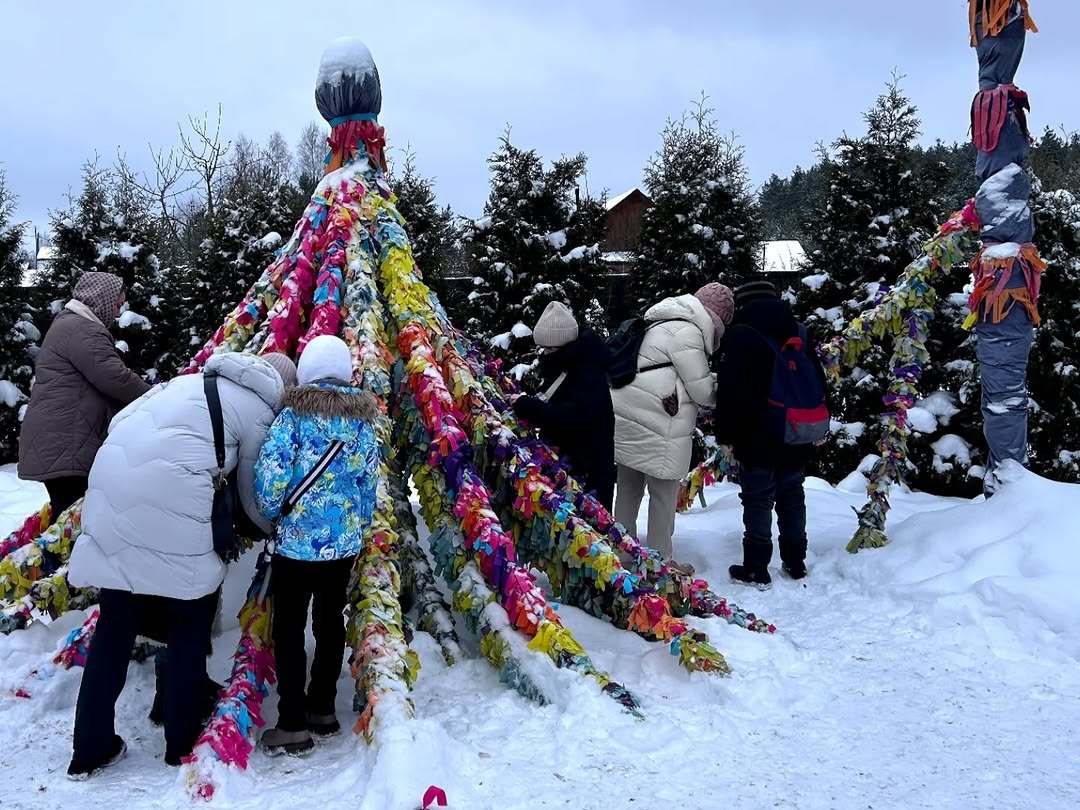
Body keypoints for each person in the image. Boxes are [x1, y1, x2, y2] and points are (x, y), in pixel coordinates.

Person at [65, 351, 297, 779]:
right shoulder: (259, 409)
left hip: (108, 500)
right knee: (188, 617)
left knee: (115, 623)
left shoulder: (184, 382)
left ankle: (90, 748)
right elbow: (251, 495)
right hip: (169, 509)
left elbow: (120, 425)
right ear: (280, 389)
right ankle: (181, 741)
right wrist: (273, 527)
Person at [254, 335, 380, 756]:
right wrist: (355, 528)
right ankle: (323, 708)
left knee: (288, 628)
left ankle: (292, 722)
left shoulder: (291, 417)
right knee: (330, 623)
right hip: (340, 549)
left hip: (294, 548)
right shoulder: (363, 425)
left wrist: (273, 510)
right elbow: (367, 488)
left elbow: (271, 477)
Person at [714, 280, 826, 588]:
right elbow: (817, 377)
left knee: (758, 498)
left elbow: (731, 390)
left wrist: (725, 432)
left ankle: (756, 567)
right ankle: (795, 561)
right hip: (795, 427)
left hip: (757, 432)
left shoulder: (741, 334)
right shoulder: (799, 330)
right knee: (792, 494)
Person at [611, 283, 732, 565]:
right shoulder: (688, 332)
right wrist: (725, 389)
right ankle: (659, 563)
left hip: (627, 412)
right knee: (663, 494)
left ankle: (621, 554)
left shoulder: (661, 321)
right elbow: (702, 390)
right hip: (660, 423)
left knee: (628, 489)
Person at [18, 272, 150, 514]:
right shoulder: (83, 329)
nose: (119, 313)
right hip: (66, 445)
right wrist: (158, 397)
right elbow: (115, 378)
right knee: (76, 530)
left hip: (61, 443)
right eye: (117, 305)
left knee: (70, 525)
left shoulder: (71, 323)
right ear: (101, 299)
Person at [512, 301, 616, 510]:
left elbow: (571, 418)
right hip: (572, 467)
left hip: (586, 476)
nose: (545, 353)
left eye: (550, 348)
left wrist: (527, 406)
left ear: (565, 345)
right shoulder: (569, 364)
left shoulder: (586, 371)